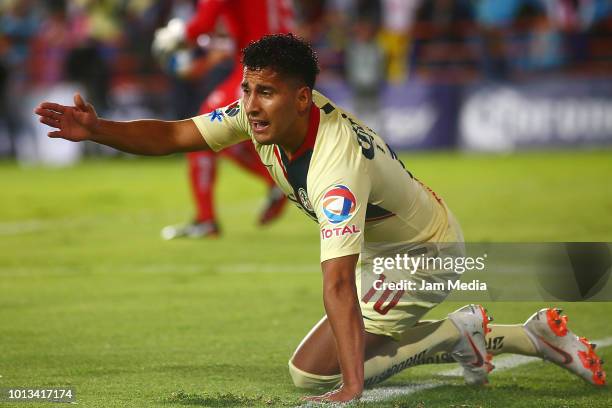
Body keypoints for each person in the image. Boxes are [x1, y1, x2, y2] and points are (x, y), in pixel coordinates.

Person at [35, 34, 605, 402]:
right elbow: (177, 133)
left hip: (427, 257)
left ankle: (476, 331)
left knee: (313, 376)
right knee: (330, 358)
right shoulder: (258, 116)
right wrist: (100, 129)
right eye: (248, 90)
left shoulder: (335, 165)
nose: (251, 105)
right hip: (393, 251)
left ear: (303, 98)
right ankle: (509, 334)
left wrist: (352, 389)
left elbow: (336, 280)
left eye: (267, 93)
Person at [152, 0, 294, 239]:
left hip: (259, 70)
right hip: (286, 69)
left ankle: (206, 220)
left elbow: (203, 23)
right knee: (229, 138)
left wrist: (174, 37)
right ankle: (277, 182)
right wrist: (208, 61)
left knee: (200, 132)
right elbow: (253, 29)